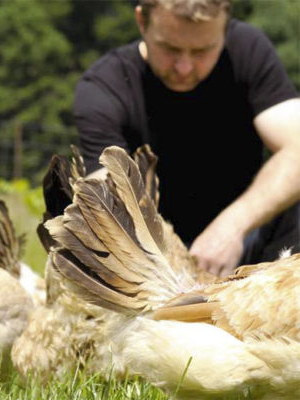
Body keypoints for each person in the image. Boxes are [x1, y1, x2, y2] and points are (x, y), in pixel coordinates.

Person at [74, 0, 300, 277]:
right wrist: (178, 268)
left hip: (245, 242)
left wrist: (232, 227)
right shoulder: (103, 87)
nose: (184, 67)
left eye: (202, 51)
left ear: (225, 28)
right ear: (142, 22)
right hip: (151, 264)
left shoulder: (247, 49)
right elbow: (106, 202)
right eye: (170, 48)